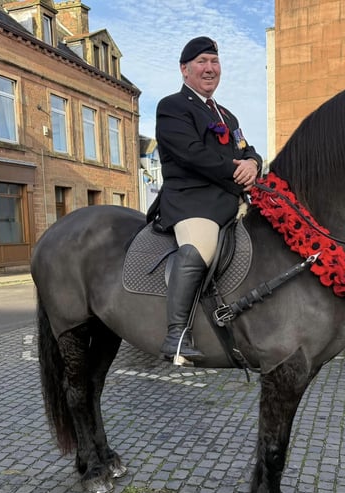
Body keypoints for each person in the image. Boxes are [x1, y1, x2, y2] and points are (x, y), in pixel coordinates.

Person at [153, 36, 262, 363]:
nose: (210, 68)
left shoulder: (227, 115)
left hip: (229, 201)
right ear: (185, 69)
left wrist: (253, 164)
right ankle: (176, 335)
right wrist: (236, 170)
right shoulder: (172, 106)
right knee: (201, 246)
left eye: (214, 62)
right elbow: (192, 155)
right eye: (202, 62)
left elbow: (247, 148)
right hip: (192, 201)